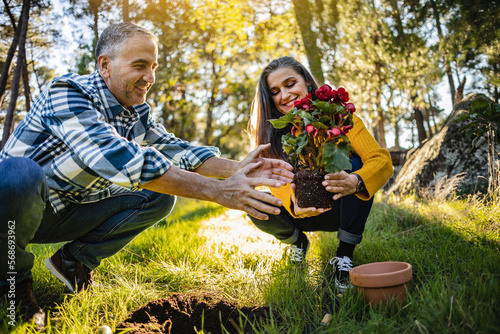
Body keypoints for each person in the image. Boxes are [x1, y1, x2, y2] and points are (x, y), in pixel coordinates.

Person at [0, 23, 294, 330]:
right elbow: (116, 158)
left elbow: (176, 150)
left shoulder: (136, 112)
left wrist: (240, 169)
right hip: (11, 215)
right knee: (21, 173)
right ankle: (14, 288)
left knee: (159, 193)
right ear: (105, 65)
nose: (149, 78)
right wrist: (219, 192)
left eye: (152, 67)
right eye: (140, 66)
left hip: (64, 211)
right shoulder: (67, 92)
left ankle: (73, 263)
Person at [247, 56, 393, 292]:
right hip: (298, 210)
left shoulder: (341, 117)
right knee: (252, 198)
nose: (284, 95)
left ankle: (344, 257)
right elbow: (274, 179)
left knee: (356, 163)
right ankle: (297, 241)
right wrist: (293, 203)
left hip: (339, 207)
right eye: (275, 91)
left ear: (306, 81)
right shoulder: (271, 134)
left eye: (290, 84)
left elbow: (381, 161)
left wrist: (355, 182)